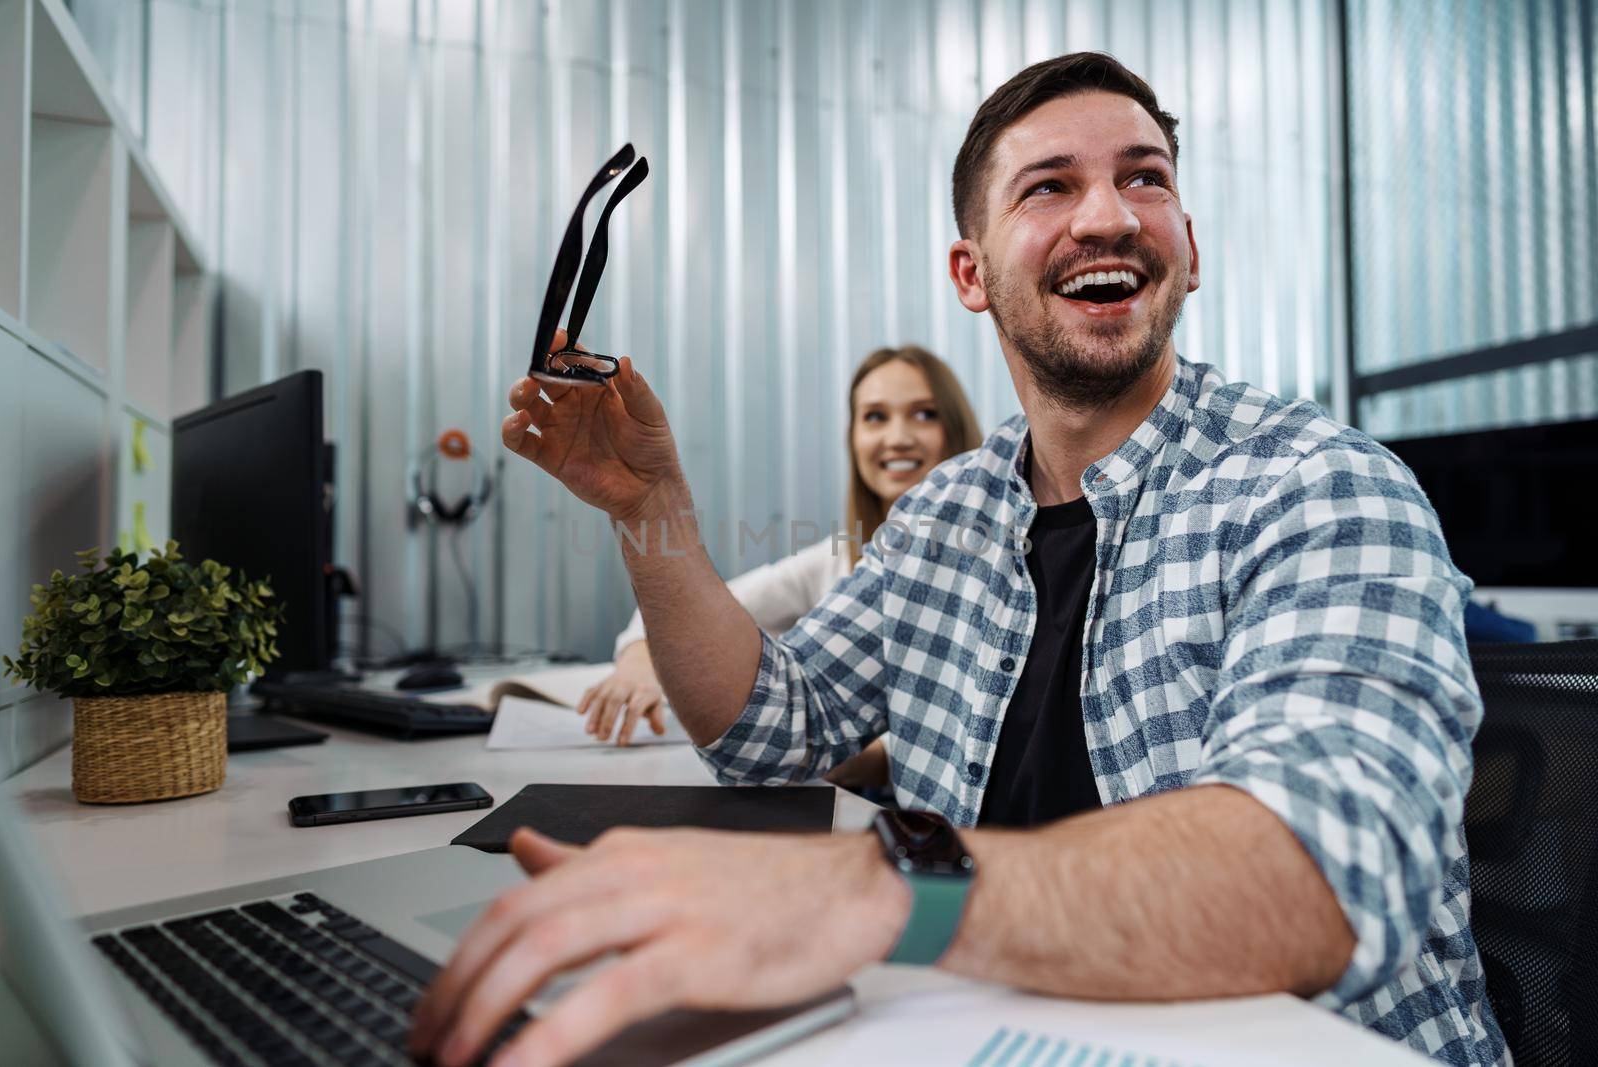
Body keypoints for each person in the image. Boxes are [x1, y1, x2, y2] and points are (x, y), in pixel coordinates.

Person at [410, 52, 1505, 1067]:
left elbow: (1319, 873)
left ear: (1190, 247)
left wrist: (877, 890)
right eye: (1049, 187)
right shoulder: (945, 518)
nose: (1109, 216)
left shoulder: (1320, 483)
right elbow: (765, 730)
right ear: (970, 272)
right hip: (1005, 1022)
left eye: (1145, 178)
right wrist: (651, 507)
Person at [576, 345, 982, 759]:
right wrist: (641, 664)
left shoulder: (994, 558)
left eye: (925, 414)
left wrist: (818, 751)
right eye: (875, 417)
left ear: (956, 426)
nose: (898, 438)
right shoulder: (837, 559)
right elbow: (688, 613)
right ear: (853, 436)